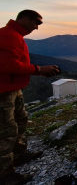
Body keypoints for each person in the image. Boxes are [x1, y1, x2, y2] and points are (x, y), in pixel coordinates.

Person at [0, 10, 60, 184]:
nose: (36, 28)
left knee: (20, 121)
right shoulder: (7, 35)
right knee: (6, 131)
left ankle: (18, 155)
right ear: (25, 19)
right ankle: (4, 174)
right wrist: (39, 70)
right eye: (36, 23)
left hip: (13, 89)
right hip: (3, 92)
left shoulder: (14, 35)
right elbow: (8, 66)